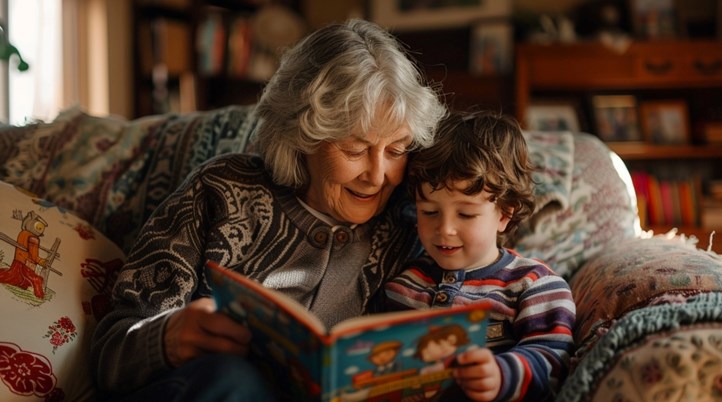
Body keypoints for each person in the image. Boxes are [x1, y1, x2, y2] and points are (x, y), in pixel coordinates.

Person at [89, 19, 447, 401]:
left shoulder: (415, 222)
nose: (377, 177)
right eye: (355, 150)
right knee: (233, 378)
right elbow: (108, 354)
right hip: (214, 390)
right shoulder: (223, 191)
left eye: (396, 150)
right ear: (302, 137)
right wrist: (166, 338)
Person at [382, 111, 576, 401]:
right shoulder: (403, 282)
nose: (444, 229)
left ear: (504, 214)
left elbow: (553, 359)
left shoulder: (534, 285)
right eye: (429, 212)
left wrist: (501, 375)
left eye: (466, 213)